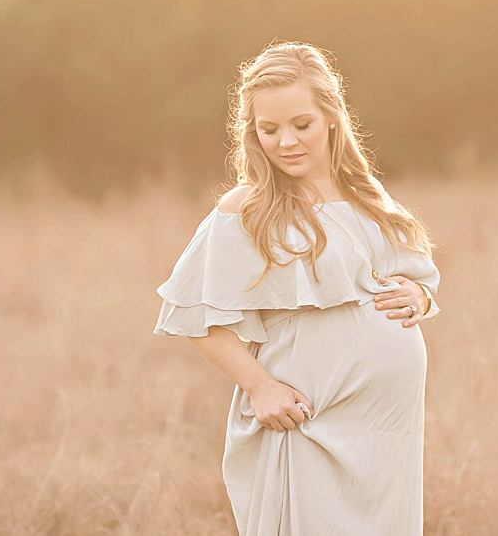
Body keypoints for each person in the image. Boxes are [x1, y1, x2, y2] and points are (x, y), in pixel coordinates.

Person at [153, 42, 442, 535]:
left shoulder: (367, 198)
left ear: (331, 117)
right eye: (269, 129)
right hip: (308, 421)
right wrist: (260, 387)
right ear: (253, 133)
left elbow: (414, 275)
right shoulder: (247, 209)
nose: (285, 141)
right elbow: (199, 322)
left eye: (301, 124)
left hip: (385, 435)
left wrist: (418, 296)